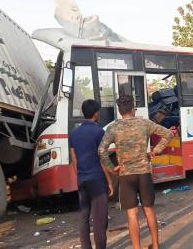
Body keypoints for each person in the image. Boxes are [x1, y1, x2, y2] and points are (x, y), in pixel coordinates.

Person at [98, 95, 173, 249]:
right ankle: (156, 246)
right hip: (144, 173)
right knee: (149, 211)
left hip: (126, 176)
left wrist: (112, 169)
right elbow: (168, 134)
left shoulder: (113, 127)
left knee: (132, 215)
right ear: (133, 109)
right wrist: (155, 151)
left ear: (119, 111)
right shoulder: (144, 123)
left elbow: (101, 150)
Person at [69, 99, 114, 249]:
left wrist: (80, 176)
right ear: (95, 113)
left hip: (82, 179)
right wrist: (109, 181)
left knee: (84, 216)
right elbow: (103, 159)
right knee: (99, 219)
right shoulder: (99, 132)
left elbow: (73, 160)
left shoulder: (74, 133)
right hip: (97, 180)